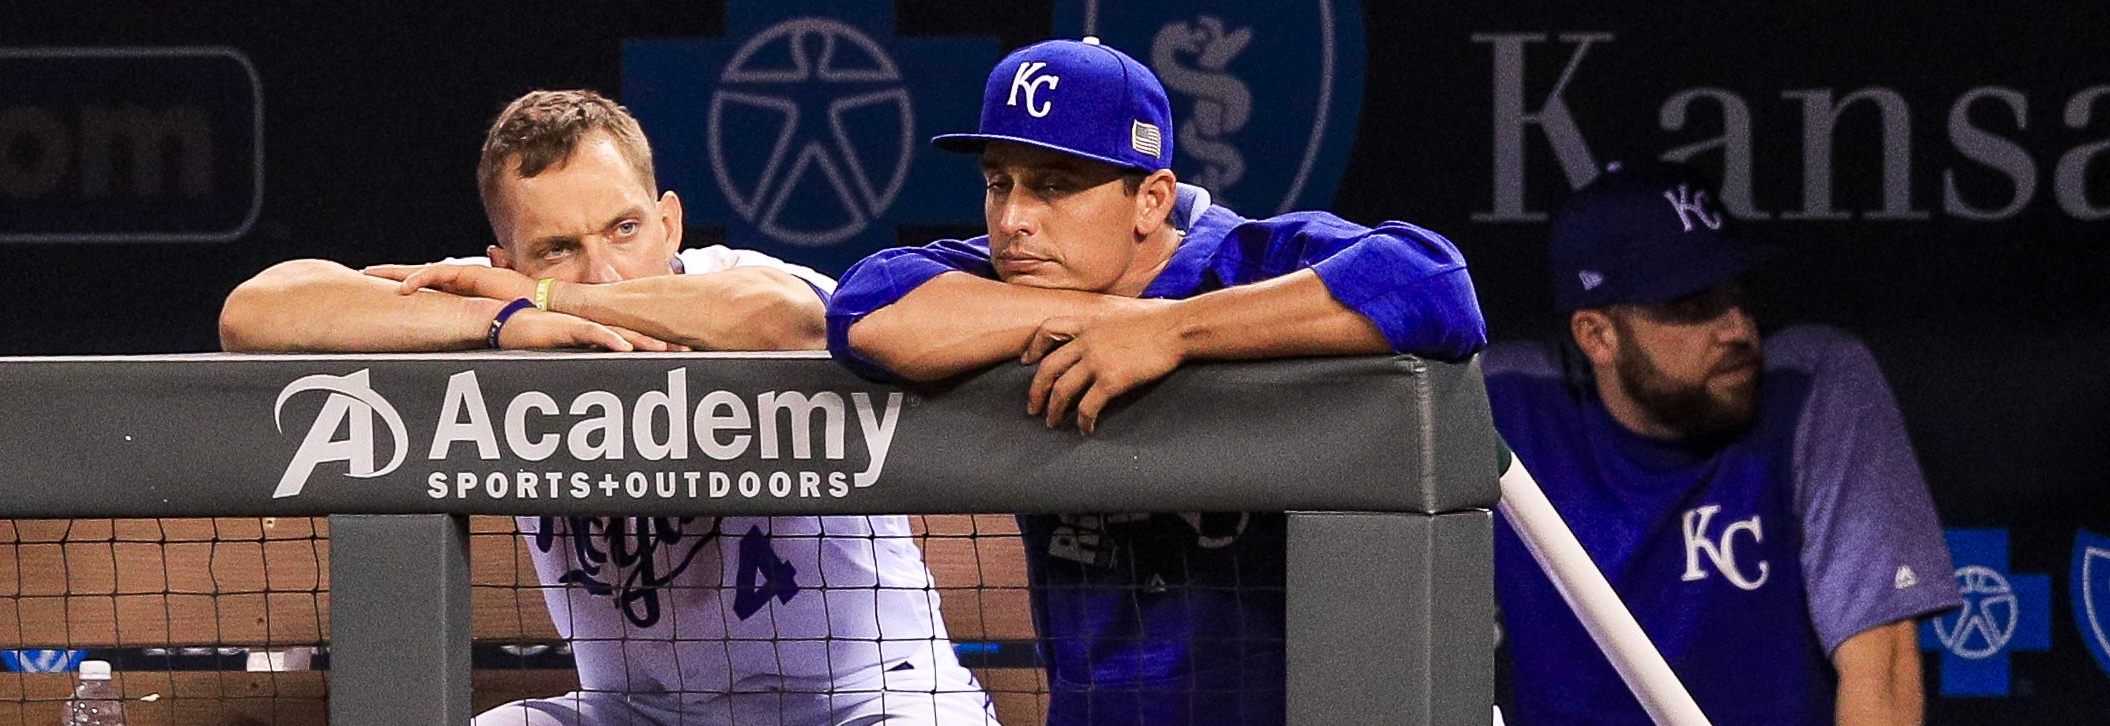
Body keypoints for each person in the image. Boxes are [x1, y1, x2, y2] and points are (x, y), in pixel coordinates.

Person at [219, 90, 995, 726]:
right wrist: (495, 323)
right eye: (556, 246)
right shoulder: (494, 302)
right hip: (638, 711)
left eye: (626, 229)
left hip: (873, 698)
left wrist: (555, 294)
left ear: (671, 222)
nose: (606, 271)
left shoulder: (738, 285)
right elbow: (256, 311)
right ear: (502, 261)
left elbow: (790, 321)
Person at [823, 38, 1486, 725]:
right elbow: (867, 304)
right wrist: (1120, 320)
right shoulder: (1007, 278)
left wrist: (1173, 332)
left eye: (1054, 185)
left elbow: (1432, 281)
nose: (1015, 219)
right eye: (999, 183)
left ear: (1151, 200)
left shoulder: (1249, 262)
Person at [1483, 162, 1962, 725]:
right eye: (1691, 305)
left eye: (1738, 293)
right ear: (1598, 335)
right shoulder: (1506, 406)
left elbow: (1881, 668)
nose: (1737, 329)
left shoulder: (1811, 385)